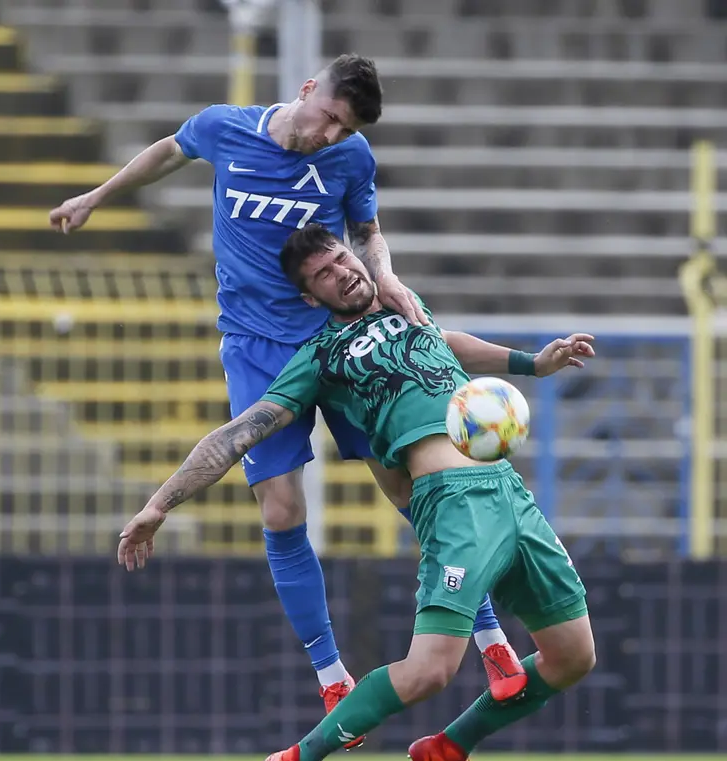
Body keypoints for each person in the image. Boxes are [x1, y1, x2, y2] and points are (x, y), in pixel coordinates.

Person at [51, 54, 524, 724]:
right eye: (329, 117)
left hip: (341, 337)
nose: (331, 135)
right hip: (259, 348)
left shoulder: (350, 157)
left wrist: (385, 275)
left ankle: (490, 637)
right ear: (307, 89)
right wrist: (95, 196)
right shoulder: (226, 128)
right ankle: (331, 676)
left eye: (345, 128)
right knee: (280, 511)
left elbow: (367, 232)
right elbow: (167, 151)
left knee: (410, 487)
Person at [117, 223, 597, 761]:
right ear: (310, 297)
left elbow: (446, 344)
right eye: (322, 274)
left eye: (341, 259)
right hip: (452, 503)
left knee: (573, 656)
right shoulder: (323, 356)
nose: (341, 273)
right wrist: (159, 504)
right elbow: (241, 433)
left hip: (509, 492)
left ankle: (449, 749)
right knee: (429, 672)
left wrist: (531, 362)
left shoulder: (404, 303)